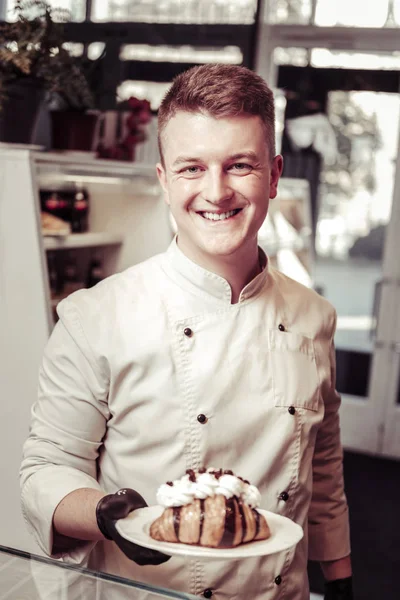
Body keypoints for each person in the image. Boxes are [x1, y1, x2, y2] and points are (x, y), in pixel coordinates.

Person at [20, 64, 353, 600]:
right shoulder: (95, 317)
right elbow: (46, 469)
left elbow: (324, 468)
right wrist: (109, 515)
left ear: (273, 174)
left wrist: (340, 578)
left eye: (239, 165)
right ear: (164, 180)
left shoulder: (315, 315)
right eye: (192, 168)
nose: (216, 192)